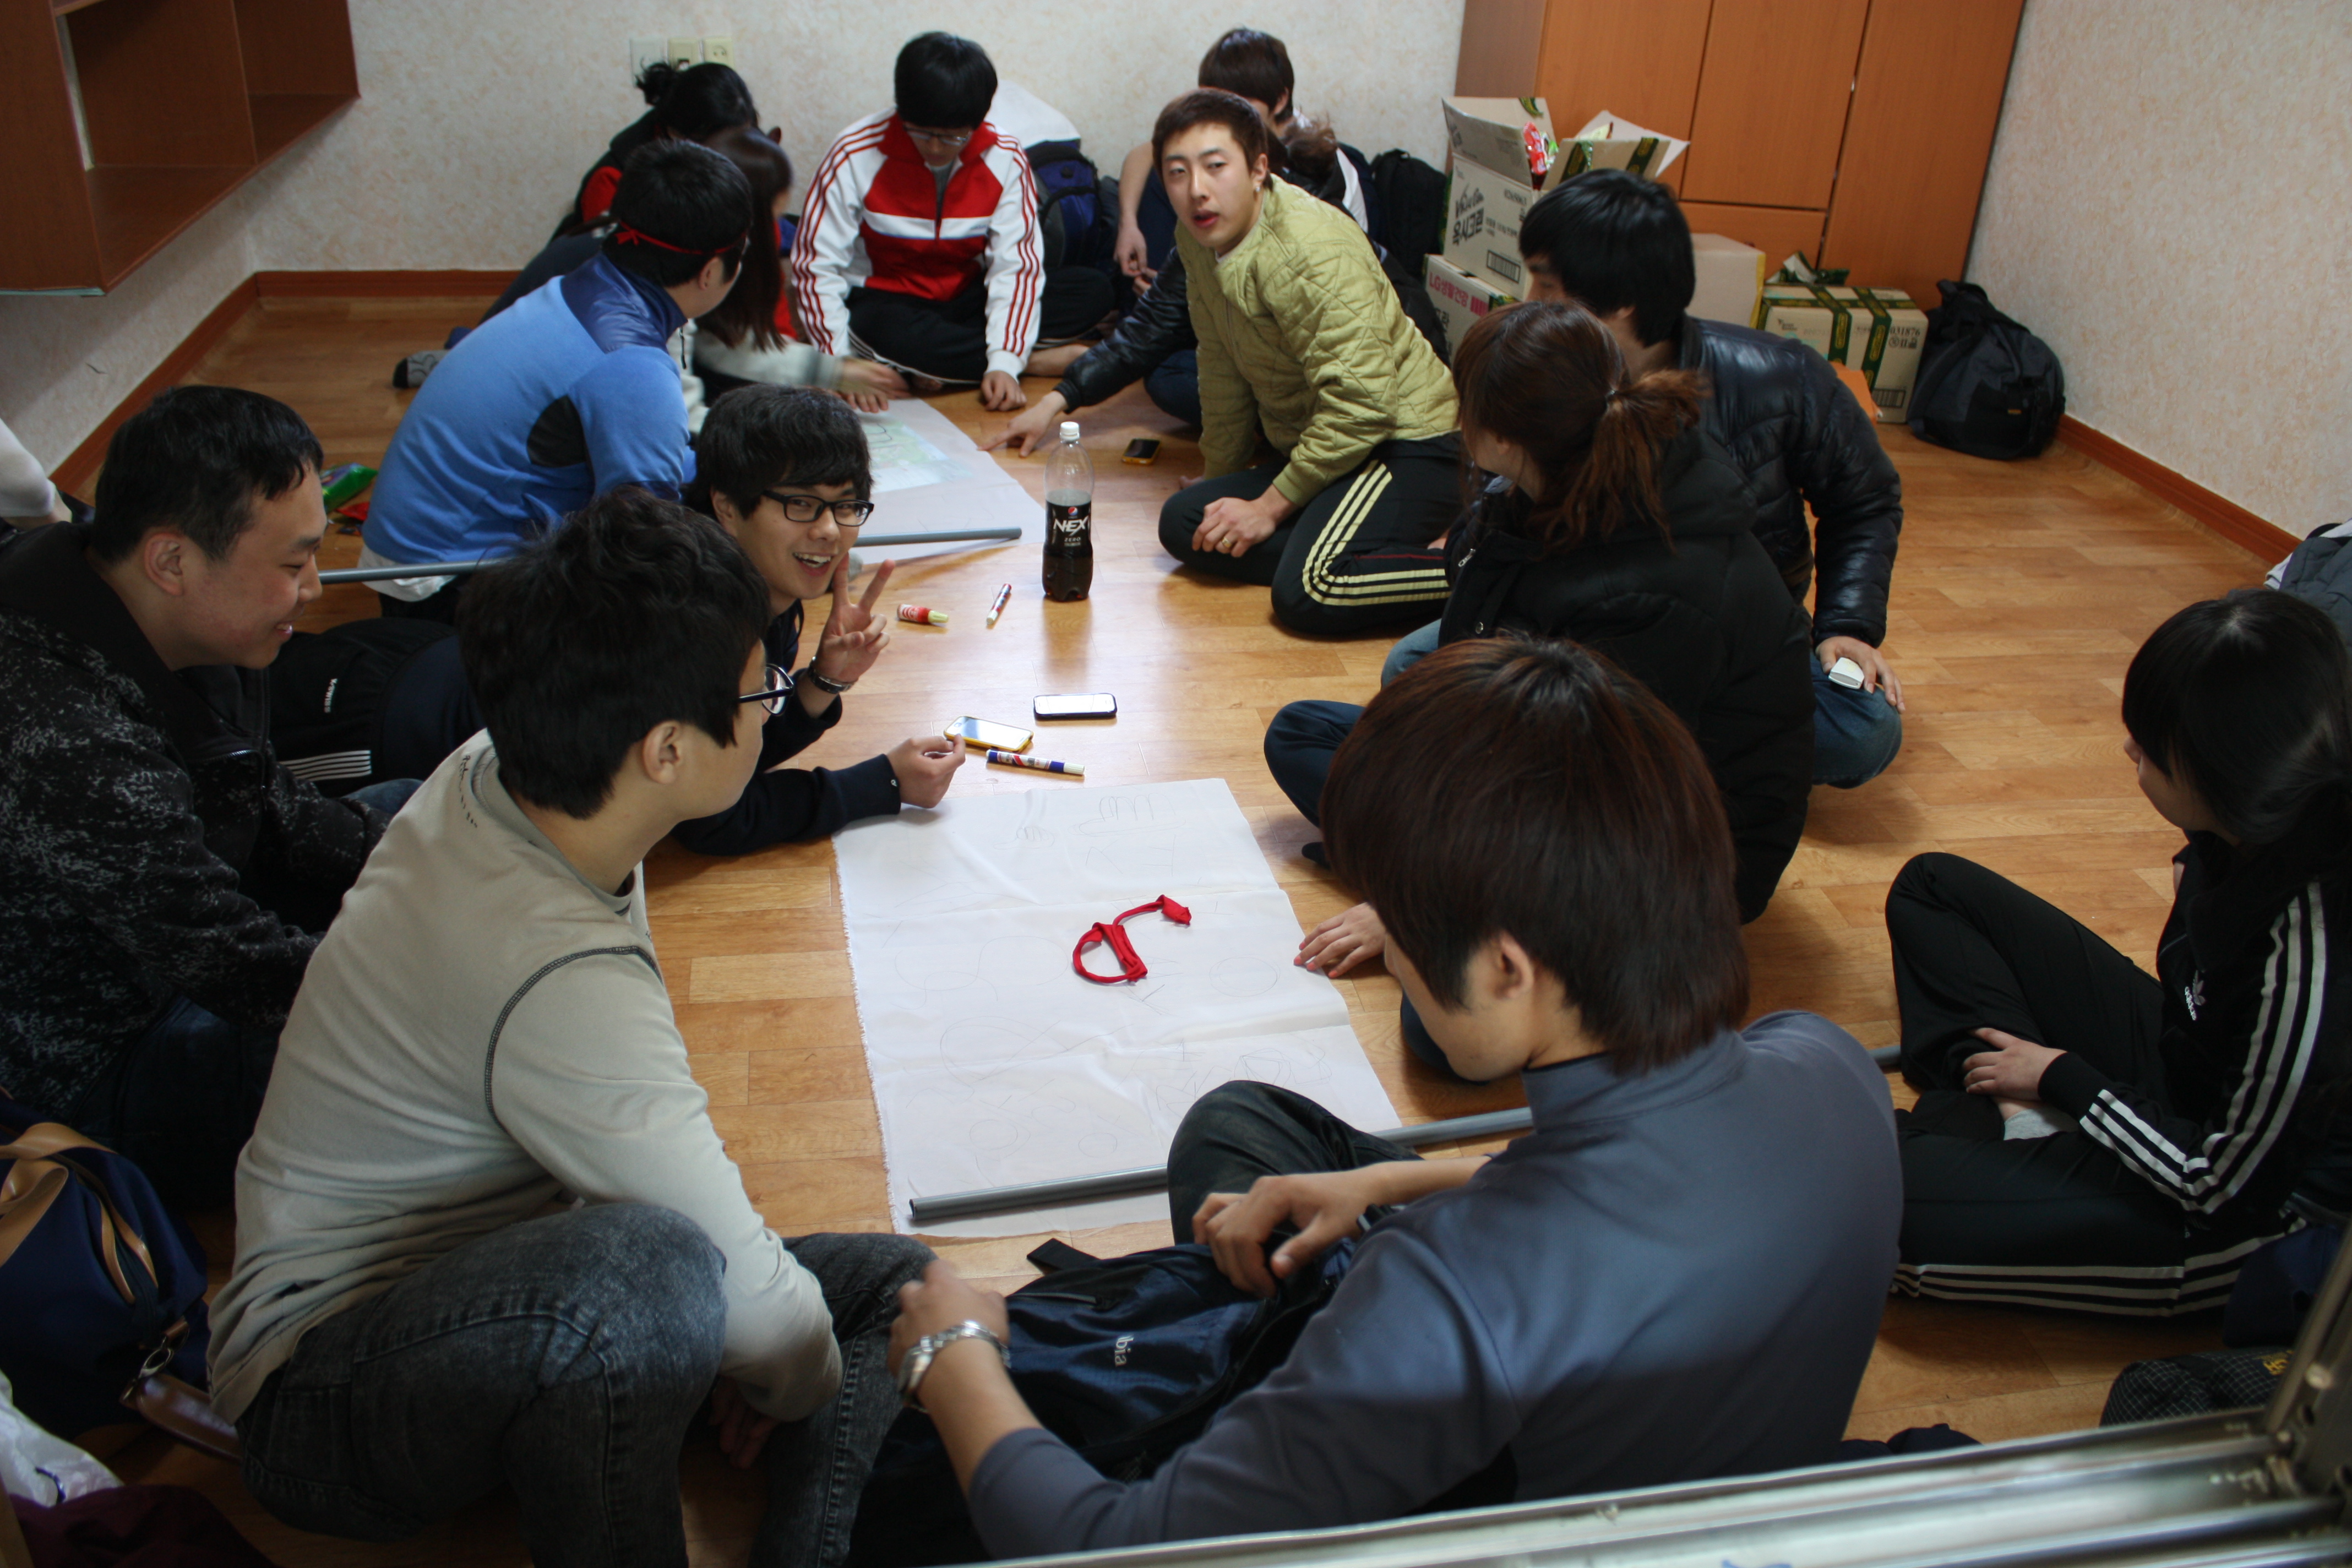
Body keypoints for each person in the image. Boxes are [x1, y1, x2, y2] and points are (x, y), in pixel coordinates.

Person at [875, 636, 1901, 1554]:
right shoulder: (1830, 1065)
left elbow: (1113, 1547)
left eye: (1397, 931)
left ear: (1505, 970)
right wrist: (1379, 1183)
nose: (1395, 960)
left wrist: (955, 1356)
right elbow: (1642, 1181)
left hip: (1484, 1476)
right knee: (1243, 1126)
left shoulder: (1448, 1294)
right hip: (1674, 1458)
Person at [209, 489, 933, 1568]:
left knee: (891, 1284)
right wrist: (778, 1366)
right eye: (762, 690)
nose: (772, 708)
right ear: (667, 750)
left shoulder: (511, 770)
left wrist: (769, 1349)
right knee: (662, 1276)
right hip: (322, 1390)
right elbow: (756, 1314)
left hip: (507, 1276)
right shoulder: (545, 960)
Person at [1264, 301, 1813, 1072]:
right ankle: (1431, 890)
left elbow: (1591, 804)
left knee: (1445, 1034)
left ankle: (1429, 897)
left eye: (1464, 404)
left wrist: (1403, 905)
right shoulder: (1542, 483)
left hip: (1666, 849)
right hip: (1544, 763)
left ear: (1502, 435)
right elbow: (1480, 670)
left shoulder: (1659, 589)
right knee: (1302, 734)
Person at [0, 387, 410, 1206]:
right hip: (101, 1062)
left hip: (181, 948)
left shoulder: (148, 609)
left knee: (419, 812)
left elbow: (262, 803)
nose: (315, 587)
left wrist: (428, 863)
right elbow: (237, 966)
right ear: (172, 562)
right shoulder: (68, 739)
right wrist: (442, 962)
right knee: (417, 1051)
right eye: (292, 565)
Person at [1890, 589, 2352, 1315]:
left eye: (2151, 747)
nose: (2130, 750)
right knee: (1934, 889)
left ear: (2223, 777)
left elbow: (2222, 1191)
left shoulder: (2311, 958)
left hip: (2247, 1216)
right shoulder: (2255, 821)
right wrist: (2049, 1087)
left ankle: (2001, 1137)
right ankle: (2011, 1120)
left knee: (1879, 1206)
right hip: (2190, 1075)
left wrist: (2065, 1079)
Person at [1484, 169, 1907, 788]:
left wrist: (1847, 625)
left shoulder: (1781, 378)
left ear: (1622, 300)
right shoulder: (1544, 376)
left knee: (1864, 729)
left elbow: (1865, 498)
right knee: (1415, 662)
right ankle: (1653, 744)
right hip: (1581, 624)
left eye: (1547, 285)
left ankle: (1617, 741)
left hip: (1729, 641)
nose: (1528, 302)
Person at [360, 140, 753, 622]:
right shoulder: (629, 363)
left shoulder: (583, 287)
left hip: (409, 553)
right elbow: (645, 537)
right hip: (443, 586)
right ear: (711, 271)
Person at [1151, 91, 1458, 636]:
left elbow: (1366, 405)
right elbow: (1220, 363)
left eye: (1215, 166)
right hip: (1329, 445)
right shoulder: (1197, 237)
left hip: (1407, 443)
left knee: (1308, 590)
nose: (1196, 189)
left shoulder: (1310, 250)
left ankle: (1487, 572)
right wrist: (1223, 479)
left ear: (1259, 170)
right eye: (1178, 172)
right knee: (1186, 522)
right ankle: (1362, 551)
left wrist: (1268, 508)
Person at [677, 385, 963, 853]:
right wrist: (884, 783)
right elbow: (711, 818)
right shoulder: (693, 618)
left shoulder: (765, 587)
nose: (830, 531)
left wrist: (824, 681)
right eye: (801, 504)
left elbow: (738, 756)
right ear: (727, 506)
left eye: (845, 506)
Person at [788, 33, 1114, 412]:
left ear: (977, 122)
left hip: (964, 297)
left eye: (954, 137)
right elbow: (815, 267)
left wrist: (1006, 360)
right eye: (922, 133)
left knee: (1094, 290)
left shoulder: (1006, 158)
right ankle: (1033, 362)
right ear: (901, 112)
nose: (936, 148)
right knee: (881, 330)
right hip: (888, 305)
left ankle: (944, 364)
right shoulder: (854, 152)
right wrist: (838, 364)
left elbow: (1016, 267)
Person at [492, 128, 908, 420]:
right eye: (770, 223)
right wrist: (778, 440)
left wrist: (830, 370)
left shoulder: (655, 244)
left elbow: (715, 342)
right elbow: (674, 427)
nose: (774, 238)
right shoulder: (652, 295)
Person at [561, 58, 758, 236]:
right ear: (677, 136)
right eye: (723, 147)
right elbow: (611, 258)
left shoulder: (736, 160)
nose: (734, 157)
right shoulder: (610, 181)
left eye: (742, 141)